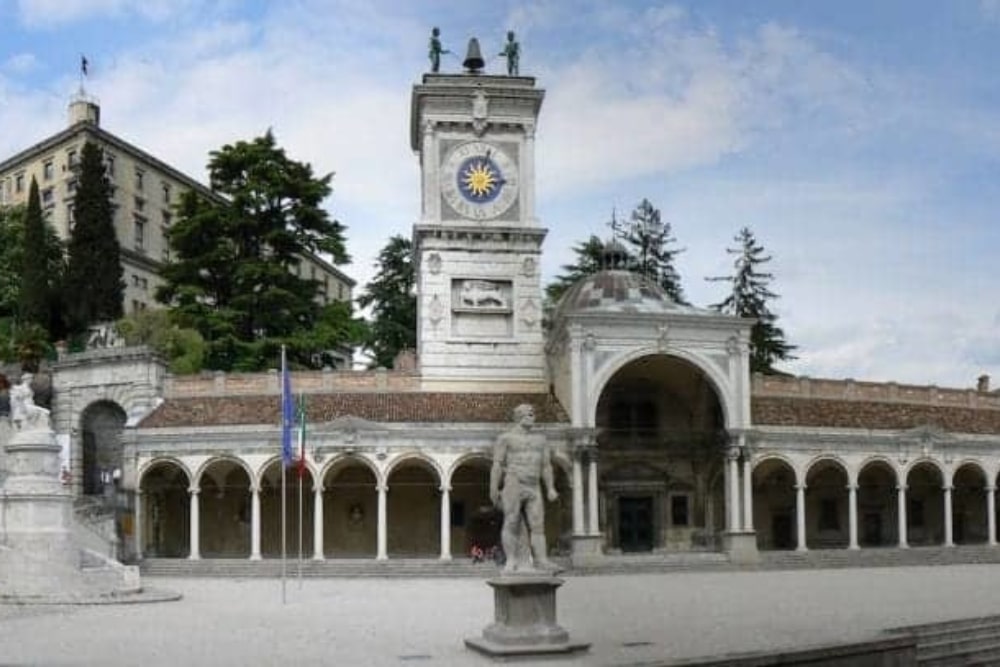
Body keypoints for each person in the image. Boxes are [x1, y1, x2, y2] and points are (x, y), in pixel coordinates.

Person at [490, 403, 559, 573]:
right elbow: (497, 465)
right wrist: (493, 488)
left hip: (534, 485)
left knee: (538, 525)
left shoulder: (541, 440)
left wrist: (550, 487)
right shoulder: (506, 438)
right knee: (511, 521)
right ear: (518, 416)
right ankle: (511, 560)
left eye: (533, 413)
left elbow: (546, 466)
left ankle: (542, 560)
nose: (532, 416)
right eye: (529, 414)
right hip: (514, 482)